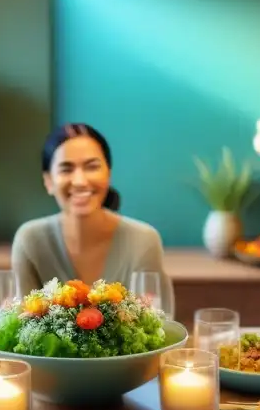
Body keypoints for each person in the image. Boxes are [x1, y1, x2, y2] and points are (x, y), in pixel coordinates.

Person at [11, 123, 174, 316]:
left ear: (108, 173)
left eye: (92, 167)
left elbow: (159, 326)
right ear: (48, 181)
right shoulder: (30, 240)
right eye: (66, 169)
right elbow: (21, 328)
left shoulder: (144, 241)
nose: (80, 181)